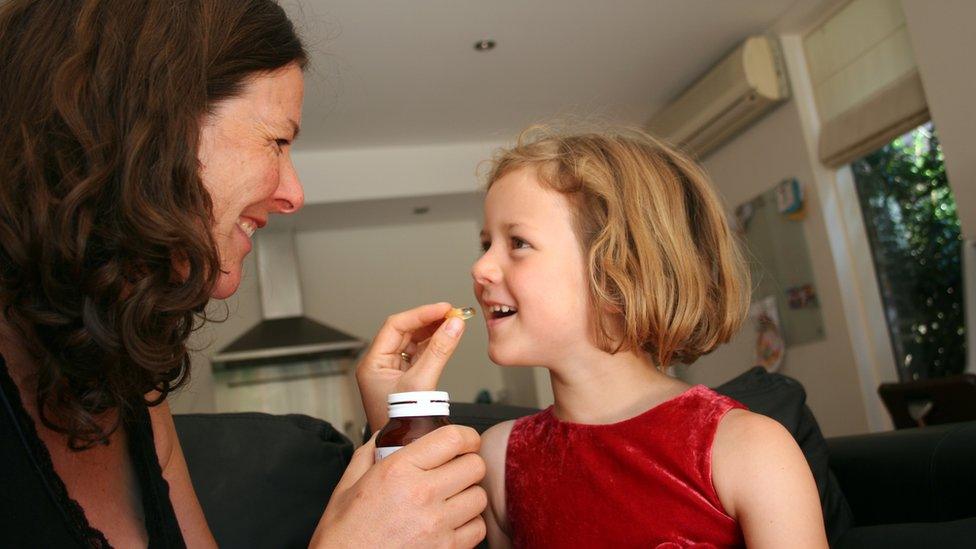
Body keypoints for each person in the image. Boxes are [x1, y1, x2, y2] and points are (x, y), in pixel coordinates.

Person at [0, 1, 485, 547]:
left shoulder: (133, 386)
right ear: (152, 125)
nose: (294, 194)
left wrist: (392, 432)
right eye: (277, 141)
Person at [469, 128, 829, 547]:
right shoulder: (499, 459)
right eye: (485, 244)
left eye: (517, 243)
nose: (481, 268)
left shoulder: (750, 450)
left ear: (617, 275)